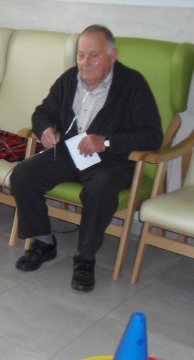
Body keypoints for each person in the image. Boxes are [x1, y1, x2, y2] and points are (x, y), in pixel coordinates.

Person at [10, 25, 162, 292]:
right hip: (70, 153)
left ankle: (85, 258)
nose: (85, 62)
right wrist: (44, 130)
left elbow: (151, 136)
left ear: (113, 55)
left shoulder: (132, 84)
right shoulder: (70, 79)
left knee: (100, 190)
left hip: (111, 160)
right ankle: (44, 242)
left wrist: (106, 141)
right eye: (81, 55)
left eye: (93, 55)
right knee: (23, 175)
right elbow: (42, 112)